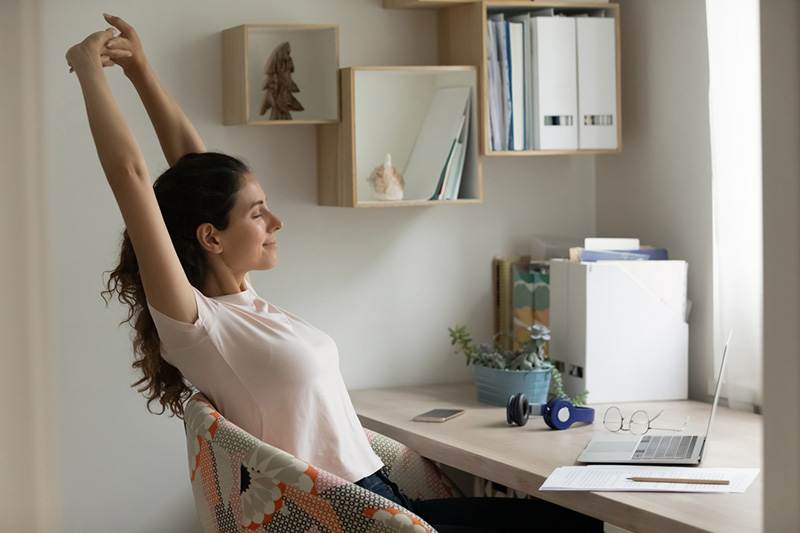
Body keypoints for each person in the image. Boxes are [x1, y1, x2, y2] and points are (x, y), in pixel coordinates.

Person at [66, 15, 602, 533]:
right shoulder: (199, 324)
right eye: (257, 214)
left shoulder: (241, 297)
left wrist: (141, 71)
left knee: (571, 518)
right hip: (350, 520)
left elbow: (198, 174)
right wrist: (89, 68)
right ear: (211, 238)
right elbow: (131, 176)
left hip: (382, 497)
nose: (275, 222)